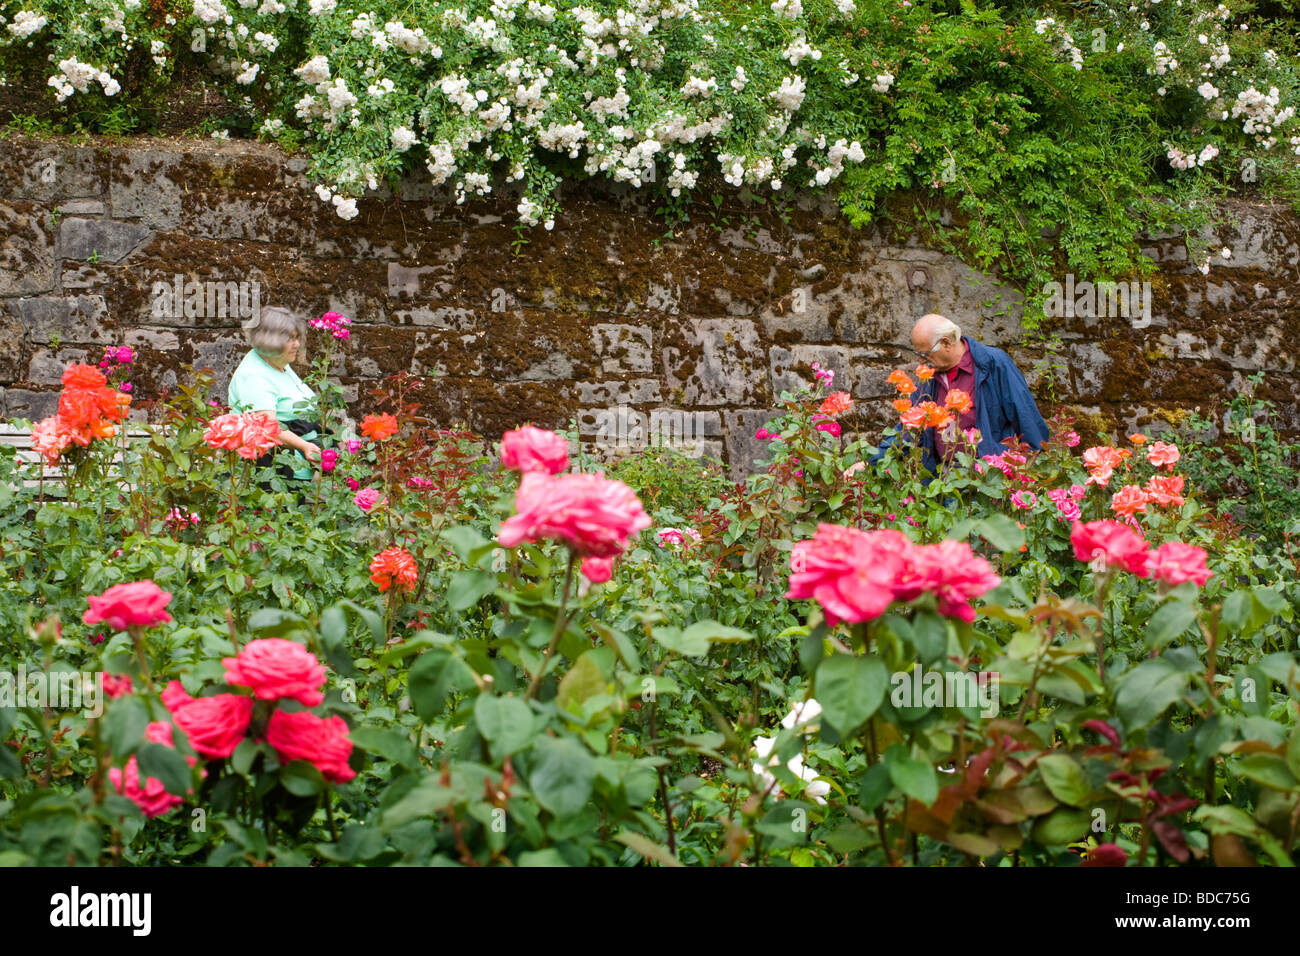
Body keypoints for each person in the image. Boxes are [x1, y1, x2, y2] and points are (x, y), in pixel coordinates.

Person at [873, 313, 1049, 473]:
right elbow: (909, 427)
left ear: (946, 343)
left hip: (987, 477)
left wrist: (1039, 469)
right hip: (943, 479)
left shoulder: (994, 364)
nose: (920, 360)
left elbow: (1025, 417)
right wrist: (871, 461)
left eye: (924, 353)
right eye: (917, 353)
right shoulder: (929, 376)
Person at [226, 306, 323, 482]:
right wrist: (304, 446)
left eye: (296, 338)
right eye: (290, 339)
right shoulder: (254, 376)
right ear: (270, 341)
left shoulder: (278, 361)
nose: (297, 345)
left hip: (298, 469)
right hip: (276, 474)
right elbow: (268, 428)